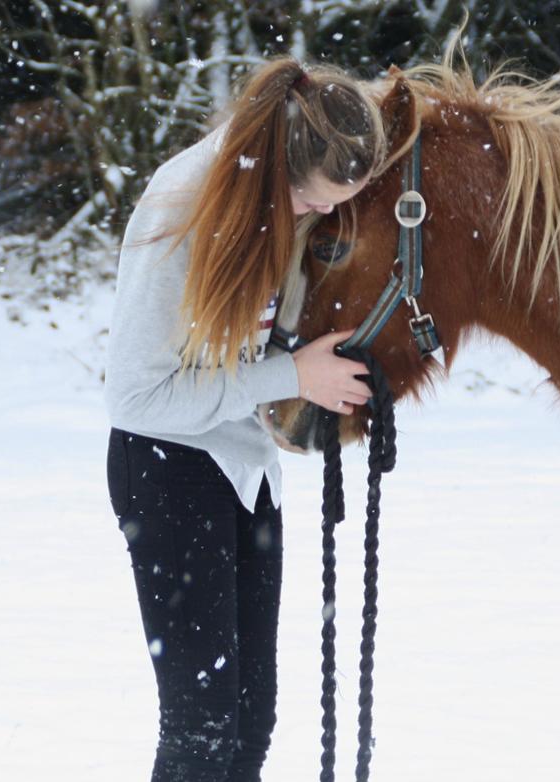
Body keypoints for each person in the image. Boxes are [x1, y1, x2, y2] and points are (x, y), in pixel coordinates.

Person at [103, 59, 385, 782]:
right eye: (313, 199)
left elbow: (249, 338)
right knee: (202, 728)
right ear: (281, 171)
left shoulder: (273, 195)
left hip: (245, 471)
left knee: (250, 719)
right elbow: (136, 397)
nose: (320, 214)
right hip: (168, 469)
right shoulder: (182, 207)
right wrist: (291, 375)